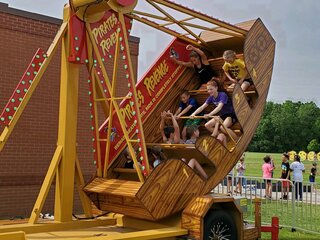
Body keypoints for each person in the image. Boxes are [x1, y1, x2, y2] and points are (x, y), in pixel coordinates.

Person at [190, 79, 236, 147]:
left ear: (216, 88)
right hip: (222, 115)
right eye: (208, 90)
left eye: (211, 89)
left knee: (222, 127)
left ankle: (236, 140)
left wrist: (209, 114)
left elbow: (219, 107)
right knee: (207, 125)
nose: (209, 91)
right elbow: (202, 107)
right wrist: (193, 114)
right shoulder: (211, 97)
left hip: (231, 114)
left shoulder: (222, 95)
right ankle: (221, 137)